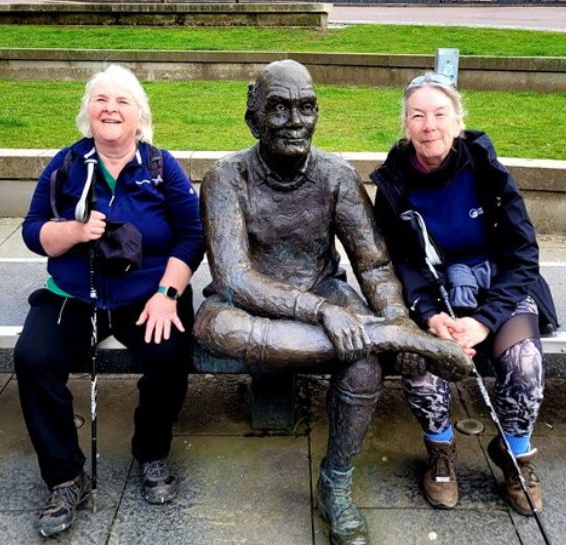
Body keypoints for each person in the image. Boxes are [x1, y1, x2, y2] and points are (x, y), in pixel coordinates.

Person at [193, 60, 471, 545]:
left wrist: (393, 309)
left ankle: (335, 485)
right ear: (253, 118)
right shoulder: (226, 178)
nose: (294, 121)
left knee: (363, 366)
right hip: (263, 304)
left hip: (324, 290)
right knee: (218, 329)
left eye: (305, 108)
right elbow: (235, 279)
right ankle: (387, 338)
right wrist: (334, 316)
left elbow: (375, 265)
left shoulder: (336, 174)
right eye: (278, 109)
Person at [14, 64, 204, 537]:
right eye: (101, 100)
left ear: (139, 116)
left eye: (122, 101)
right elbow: (34, 232)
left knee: (169, 352)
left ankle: (152, 451)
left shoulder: (161, 167)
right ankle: (64, 476)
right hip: (76, 293)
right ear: (87, 113)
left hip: (147, 295)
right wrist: (75, 232)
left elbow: (192, 236)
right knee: (34, 359)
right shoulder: (67, 164)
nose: (111, 109)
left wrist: (167, 294)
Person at [370, 72, 559, 516]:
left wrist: (485, 320)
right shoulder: (394, 184)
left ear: (458, 122)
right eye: (417, 115)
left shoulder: (488, 171)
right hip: (434, 294)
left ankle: (516, 456)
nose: (429, 125)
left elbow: (523, 255)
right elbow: (400, 262)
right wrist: (430, 313)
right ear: (406, 124)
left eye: (439, 114)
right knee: (419, 363)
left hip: (498, 289)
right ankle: (440, 452)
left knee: (524, 362)